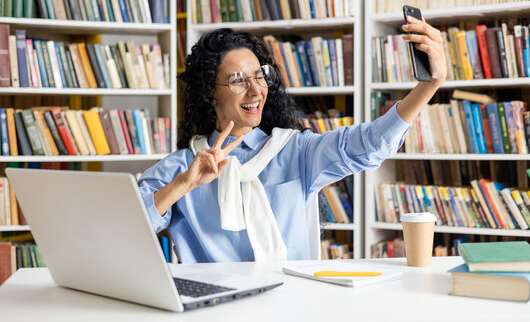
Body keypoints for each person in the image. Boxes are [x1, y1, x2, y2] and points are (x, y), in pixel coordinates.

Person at [138, 16, 447, 263]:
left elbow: (370, 144)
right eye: (238, 81)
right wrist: (183, 185)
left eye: (260, 76)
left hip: (294, 303)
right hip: (215, 310)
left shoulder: (297, 151)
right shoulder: (180, 168)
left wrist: (429, 87)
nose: (256, 90)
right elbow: (127, 230)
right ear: (209, 93)